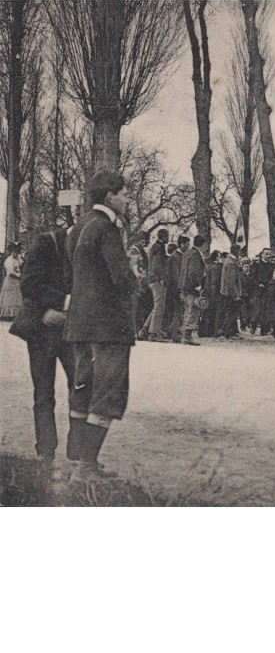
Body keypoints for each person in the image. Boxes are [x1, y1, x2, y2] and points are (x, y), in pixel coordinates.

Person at [63, 170, 138, 481]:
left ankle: (76, 458)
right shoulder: (108, 230)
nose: (127, 199)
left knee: (83, 387)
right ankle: (87, 467)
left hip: (79, 323)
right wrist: (134, 274)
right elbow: (121, 278)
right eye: (124, 194)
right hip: (108, 326)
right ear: (110, 197)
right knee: (107, 391)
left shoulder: (77, 227)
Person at [12, 226, 77, 473]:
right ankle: (45, 452)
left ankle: (77, 453)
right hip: (42, 330)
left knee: (81, 387)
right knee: (43, 392)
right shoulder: (45, 243)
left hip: (71, 331)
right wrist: (60, 304)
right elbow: (29, 285)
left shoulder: (88, 247)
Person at [178, 235, 206, 345]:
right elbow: (193, 271)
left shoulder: (187, 253)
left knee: (187, 310)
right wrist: (197, 285)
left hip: (184, 285)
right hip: (191, 286)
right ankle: (187, 336)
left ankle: (184, 334)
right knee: (193, 310)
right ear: (203, 244)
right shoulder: (195, 255)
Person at [145, 228, 170, 341]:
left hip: (152, 279)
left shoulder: (156, 247)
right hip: (156, 280)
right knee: (159, 307)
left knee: (157, 306)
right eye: (167, 236)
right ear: (163, 236)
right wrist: (161, 278)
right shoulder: (159, 248)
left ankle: (144, 330)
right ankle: (153, 334)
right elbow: (156, 265)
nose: (168, 239)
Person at [165, 235, 189, 342]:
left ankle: (172, 332)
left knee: (178, 310)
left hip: (178, 287)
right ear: (182, 244)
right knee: (178, 310)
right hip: (175, 288)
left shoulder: (181, 256)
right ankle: (175, 334)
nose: (189, 246)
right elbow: (175, 275)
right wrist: (180, 289)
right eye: (187, 244)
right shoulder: (175, 257)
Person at [217, 243, 242, 338]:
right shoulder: (231, 263)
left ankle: (229, 331)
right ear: (237, 251)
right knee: (231, 313)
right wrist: (236, 295)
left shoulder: (228, 260)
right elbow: (230, 281)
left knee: (231, 313)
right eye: (239, 251)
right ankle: (225, 331)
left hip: (226, 292)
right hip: (230, 293)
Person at [0, 241, 24, 319]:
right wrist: (18, 275)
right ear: (11, 252)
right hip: (10, 280)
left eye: (17, 252)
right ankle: (7, 315)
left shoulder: (17, 259)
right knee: (9, 297)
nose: (16, 254)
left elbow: (20, 265)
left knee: (16, 297)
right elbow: (10, 271)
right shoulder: (8, 260)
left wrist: (20, 274)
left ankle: (15, 314)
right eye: (14, 252)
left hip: (16, 281)